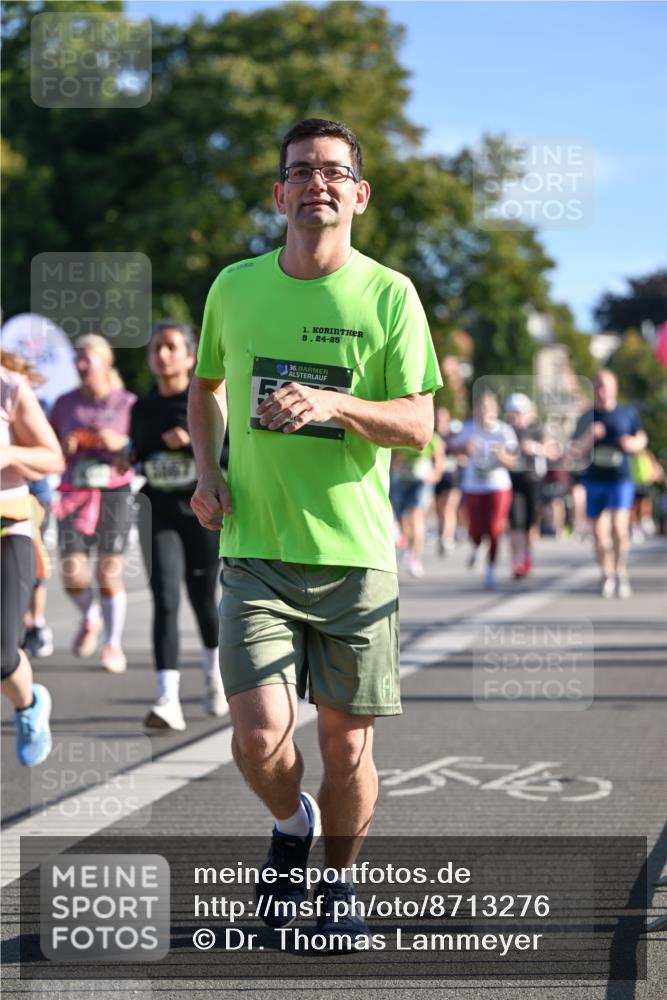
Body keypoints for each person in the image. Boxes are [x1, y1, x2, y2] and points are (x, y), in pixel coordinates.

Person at [188, 118, 441, 947]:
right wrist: (207, 471)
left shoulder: (389, 294)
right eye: (300, 171)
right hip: (255, 547)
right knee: (259, 736)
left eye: (333, 172)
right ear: (279, 193)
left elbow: (417, 424)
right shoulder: (235, 285)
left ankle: (336, 888)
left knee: (346, 747)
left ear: (358, 195)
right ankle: (291, 826)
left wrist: (333, 402)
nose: (316, 184)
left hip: (355, 559)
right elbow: (207, 386)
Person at [129, 321, 226, 731]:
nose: (161, 355)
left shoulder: (206, 401)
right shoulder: (141, 408)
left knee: (204, 598)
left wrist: (189, 441)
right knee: (165, 598)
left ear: (190, 357)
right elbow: (138, 454)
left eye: (170, 347)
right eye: (155, 348)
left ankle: (213, 676)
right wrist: (131, 456)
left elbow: (230, 459)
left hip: (199, 513)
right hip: (157, 511)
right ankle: (167, 698)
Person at [50, 335, 136, 671]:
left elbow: (140, 450)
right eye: (77, 359)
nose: (81, 365)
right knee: (72, 574)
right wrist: (65, 445)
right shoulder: (64, 404)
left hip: (114, 492)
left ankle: (112, 645)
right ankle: (91, 615)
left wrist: (122, 443)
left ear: (106, 362)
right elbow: (49, 447)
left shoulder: (127, 403)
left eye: (87, 359)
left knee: (108, 573)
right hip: (73, 493)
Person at [1, 351, 64, 765]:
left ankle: (29, 705)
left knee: (2, 655)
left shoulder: (8, 386)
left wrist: (9, 456)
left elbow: (52, 457)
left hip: (8, 525)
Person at [571, 369, 647, 598]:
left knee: (619, 528)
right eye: (598, 386)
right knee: (599, 534)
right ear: (594, 390)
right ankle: (607, 574)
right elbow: (574, 450)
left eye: (606, 386)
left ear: (615, 389)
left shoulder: (627, 414)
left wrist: (633, 444)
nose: (602, 391)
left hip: (620, 479)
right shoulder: (587, 417)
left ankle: (621, 570)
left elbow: (642, 438)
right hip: (595, 480)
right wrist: (588, 437)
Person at [451, 390, 518, 589]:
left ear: (496, 410)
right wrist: (464, 449)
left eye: (488, 407)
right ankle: (475, 547)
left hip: (498, 486)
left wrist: (502, 455)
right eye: (480, 407)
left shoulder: (504, 431)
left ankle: (490, 570)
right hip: (474, 485)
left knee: (494, 528)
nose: (484, 411)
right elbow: (453, 448)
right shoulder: (468, 428)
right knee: (476, 528)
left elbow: (514, 461)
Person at [390, 432, 445, 576]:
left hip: (420, 482)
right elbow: (393, 458)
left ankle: (415, 558)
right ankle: (406, 548)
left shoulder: (432, 437)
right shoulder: (400, 432)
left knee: (416, 518)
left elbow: (439, 462)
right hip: (401, 481)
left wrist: (433, 476)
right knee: (402, 520)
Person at [504, 392, 547, 578]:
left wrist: (534, 448)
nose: (517, 417)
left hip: (533, 480)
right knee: (515, 523)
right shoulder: (506, 431)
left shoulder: (536, 429)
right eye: (514, 412)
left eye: (521, 412)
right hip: (512, 481)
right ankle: (516, 561)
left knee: (531, 524)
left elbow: (552, 449)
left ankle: (527, 554)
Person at [433, 407, 462, 556]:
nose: (439, 421)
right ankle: (442, 536)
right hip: (438, 478)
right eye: (437, 418)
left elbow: (462, 453)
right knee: (439, 510)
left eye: (442, 418)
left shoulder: (454, 436)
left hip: (453, 478)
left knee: (448, 508)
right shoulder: (432, 436)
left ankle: (447, 538)